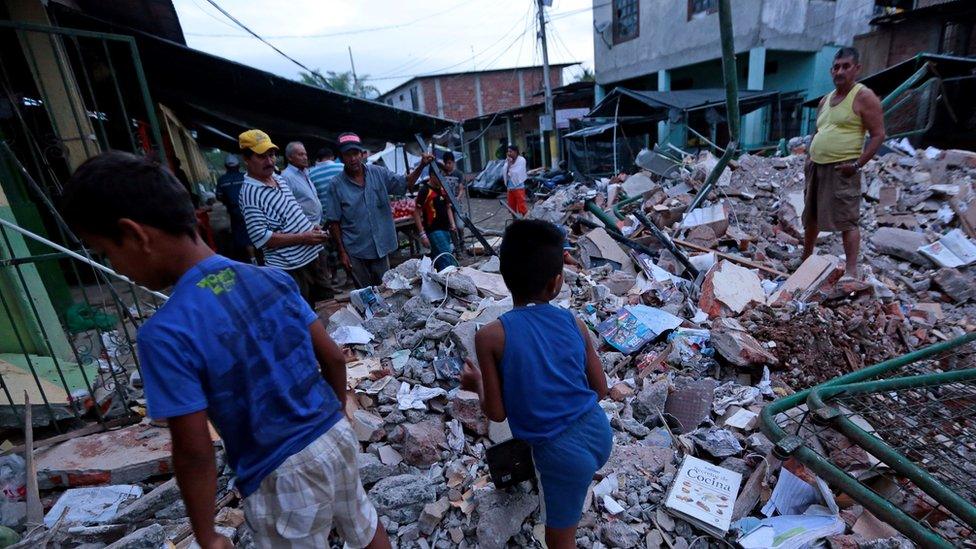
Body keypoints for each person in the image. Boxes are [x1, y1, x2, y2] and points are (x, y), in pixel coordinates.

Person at [59, 151, 391, 549]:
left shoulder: (165, 334)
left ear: (135, 235)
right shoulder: (273, 279)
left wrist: (206, 533)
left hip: (277, 471)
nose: (114, 265)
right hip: (333, 434)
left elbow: (194, 450)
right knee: (363, 523)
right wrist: (334, 413)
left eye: (106, 252)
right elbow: (334, 358)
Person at [460, 219, 610, 549]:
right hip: (599, 433)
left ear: (504, 276)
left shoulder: (490, 336)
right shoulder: (573, 321)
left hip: (560, 454)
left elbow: (496, 414)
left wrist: (476, 385)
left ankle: (565, 497)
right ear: (556, 282)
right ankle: (568, 490)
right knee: (567, 484)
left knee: (560, 539)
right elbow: (601, 389)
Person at [804, 46, 885, 278]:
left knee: (847, 219)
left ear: (857, 69)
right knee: (811, 216)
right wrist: (809, 156)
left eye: (846, 66)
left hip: (843, 168)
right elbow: (819, 131)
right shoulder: (825, 100)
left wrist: (857, 165)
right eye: (836, 67)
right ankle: (806, 259)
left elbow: (879, 135)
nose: (840, 71)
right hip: (816, 166)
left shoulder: (863, 96)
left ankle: (851, 270)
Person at [322, 132, 433, 287]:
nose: (353, 158)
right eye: (348, 155)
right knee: (365, 294)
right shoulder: (336, 185)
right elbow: (334, 221)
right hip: (355, 250)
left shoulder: (378, 173)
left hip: (380, 246)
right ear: (341, 158)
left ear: (362, 154)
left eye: (355, 153)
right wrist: (342, 252)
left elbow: (405, 184)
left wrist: (421, 165)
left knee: (385, 290)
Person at [237, 129, 333, 305]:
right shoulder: (250, 194)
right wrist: (304, 237)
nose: (270, 161)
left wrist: (311, 229)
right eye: (262, 156)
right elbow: (261, 238)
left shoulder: (278, 178)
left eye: (272, 155)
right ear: (246, 159)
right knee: (307, 318)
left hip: (313, 257)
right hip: (291, 268)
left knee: (330, 308)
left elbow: (293, 212)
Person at [309, 147, 345, 285]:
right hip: (344, 216)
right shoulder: (341, 167)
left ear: (318, 159)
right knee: (345, 247)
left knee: (330, 249)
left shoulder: (311, 173)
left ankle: (334, 276)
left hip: (324, 219)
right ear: (332, 156)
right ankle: (349, 275)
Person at [412, 170, 458, 271]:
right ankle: (449, 282)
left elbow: (448, 207)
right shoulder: (425, 190)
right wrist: (422, 235)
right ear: (432, 175)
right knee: (447, 259)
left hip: (446, 229)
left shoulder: (443, 189)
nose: (442, 179)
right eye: (439, 176)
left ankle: (440, 282)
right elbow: (416, 213)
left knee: (440, 258)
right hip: (434, 230)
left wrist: (453, 224)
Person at [215, 154, 252, 262]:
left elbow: (219, 196)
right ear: (238, 165)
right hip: (249, 209)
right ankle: (254, 257)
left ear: (226, 166)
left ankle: (245, 258)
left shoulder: (222, 180)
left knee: (239, 233)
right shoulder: (245, 177)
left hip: (234, 211)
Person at [280, 141, 323, 227]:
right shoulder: (286, 177)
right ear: (290, 158)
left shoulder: (305, 173)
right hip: (303, 229)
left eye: (305, 154)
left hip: (316, 226)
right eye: (300, 155)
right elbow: (287, 208)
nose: (305, 157)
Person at [504, 144, 528, 216]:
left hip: (518, 187)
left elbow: (516, 172)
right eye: (508, 152)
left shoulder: (521, 160)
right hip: (510, 187)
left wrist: (510, 168)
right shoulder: (508, 160)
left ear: (515, 152)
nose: (509, 153)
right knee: (511, 207)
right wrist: (509, 163)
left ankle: (525, 221)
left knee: (522, 206)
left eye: (510, 152)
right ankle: (515, 222)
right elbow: (504, 170)